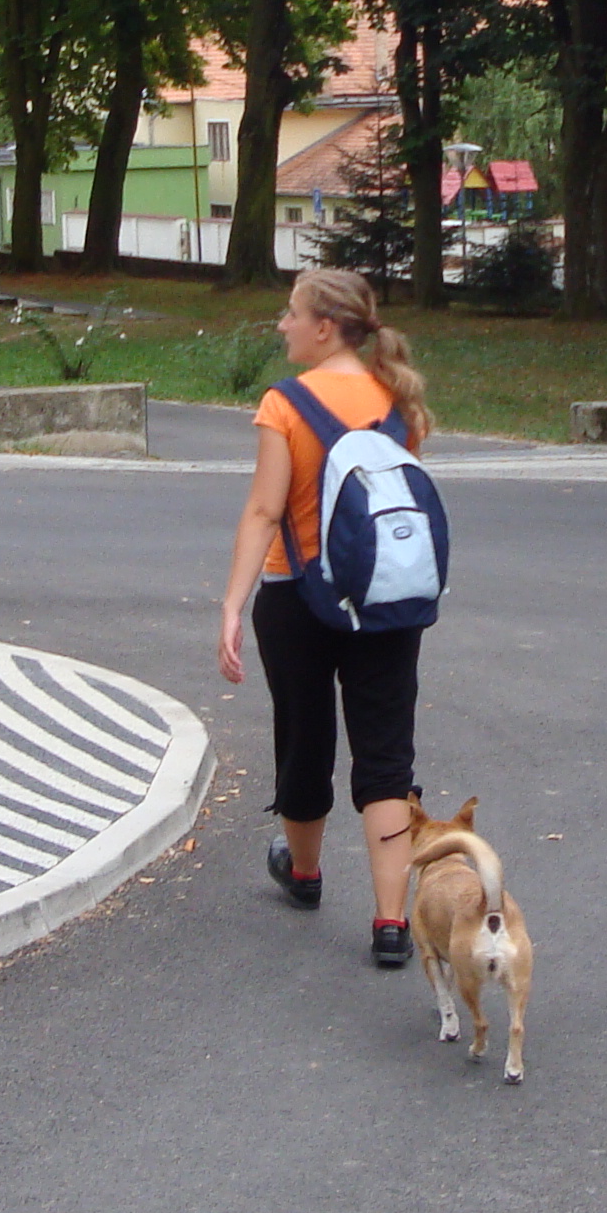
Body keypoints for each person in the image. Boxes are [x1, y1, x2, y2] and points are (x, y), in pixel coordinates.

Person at [217, 267, 435, 968]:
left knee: (304, 737)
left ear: (324, 327)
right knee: (386, 755)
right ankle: (392, 922)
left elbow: (264, 511)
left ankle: (305, 873)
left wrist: (232, 604)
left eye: (291, 313)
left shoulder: (285, 403)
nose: (283, 324)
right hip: (386, 599)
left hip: (298, 596)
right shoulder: (398, 399)